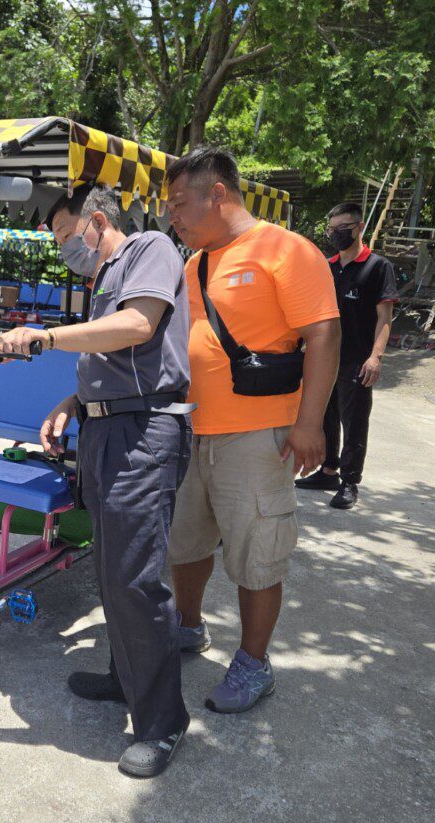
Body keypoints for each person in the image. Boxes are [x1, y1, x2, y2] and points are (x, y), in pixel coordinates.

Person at [0, 184, 193, 778]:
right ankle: (123, 677)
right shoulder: (103, 276)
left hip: (145, 433)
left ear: (97, 221)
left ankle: (163, 723)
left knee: (135, 577)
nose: (62, 251)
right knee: (110, 568)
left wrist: (43, 335)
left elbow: (136, 327)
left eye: (63, 237)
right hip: (107, 431)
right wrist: (74, 404)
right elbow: (110, 363)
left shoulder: (150, 248)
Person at [164, 147, 340, 714]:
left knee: (256, 551)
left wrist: (310, 423)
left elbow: (324, 336)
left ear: (218, 194)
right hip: (191, 431)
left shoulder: (285, 249)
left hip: (258, 433)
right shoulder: (196, 263)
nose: (173, 216)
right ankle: (189, 626)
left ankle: (254, 663)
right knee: (185, 544)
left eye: (180, 202)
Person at [295, 202, 398, 509]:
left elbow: (385, 318)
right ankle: (327, 470)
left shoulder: (378, 267)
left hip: (357, 359)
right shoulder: (327, 267)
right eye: (332, 229)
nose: (336, 234)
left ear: (359, 227)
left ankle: (350, 481)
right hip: (324, 358)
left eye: (343, 229)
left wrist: (375, 357)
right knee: (324, 415)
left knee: (353, 421)